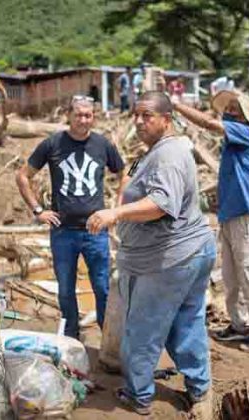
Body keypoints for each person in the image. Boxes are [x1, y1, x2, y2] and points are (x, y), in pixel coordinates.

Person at [86, 91, 216, 416]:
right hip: (189, 252)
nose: (140, 121)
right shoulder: (159, 151)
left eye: (148, 116)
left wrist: (116, 214)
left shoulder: (168, 154)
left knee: (143, 330)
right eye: (136, 115)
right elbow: (138, 182)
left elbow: (161, 204)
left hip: (167, 260)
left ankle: (138, 395)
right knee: (186, 324)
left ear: (166, 120)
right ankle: (199, 388)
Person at [15, 96, 127, 339]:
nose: (83, 120)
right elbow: (23, 176)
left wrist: (115, 210)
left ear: (93, 117)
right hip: (63, 231)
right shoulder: (52, 144)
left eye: (88, 115)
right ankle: (71, 337)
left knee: (102, 288)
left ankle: (108, 337)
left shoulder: (102, 145)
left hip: (95, 230)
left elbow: (124, 173)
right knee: (65, 289)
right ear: (69, 115)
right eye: (79, 115)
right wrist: (38, 211)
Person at [173, 90, 249, 353]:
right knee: (232, 278)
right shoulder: (231, 144)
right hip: (230, 218)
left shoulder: (244, 133)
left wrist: (176, 104)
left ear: (243, 116)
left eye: (234, 107)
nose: (228, 110)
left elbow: (209, 123)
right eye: (227, 106)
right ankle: (239, 325)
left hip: (245, 217)